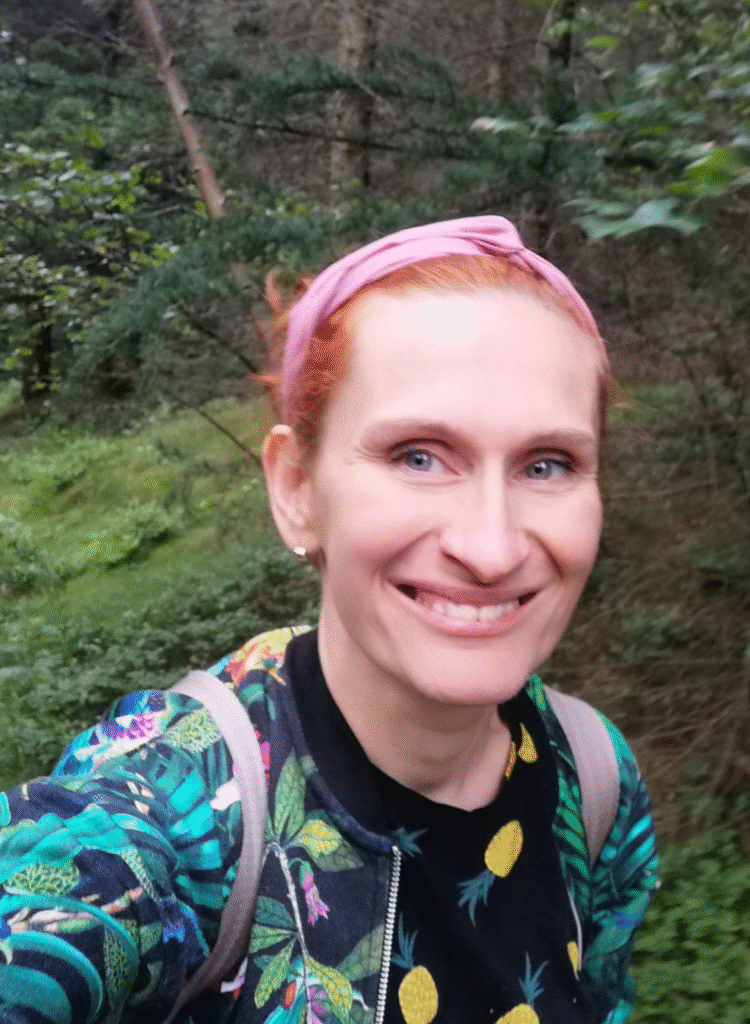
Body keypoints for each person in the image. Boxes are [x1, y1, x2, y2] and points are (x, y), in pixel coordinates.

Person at [0, 216, 658, 1024]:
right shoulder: (182, 804)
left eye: (546, 465)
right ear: (296, 489)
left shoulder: (593, 778)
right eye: (418, 456)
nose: (491, 548)